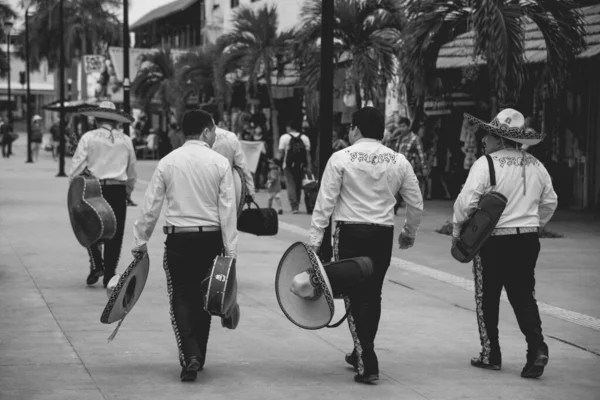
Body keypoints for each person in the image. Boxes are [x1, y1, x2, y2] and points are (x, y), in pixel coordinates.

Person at [309, 106, 424, 384]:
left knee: (353, 294)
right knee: (373, 294)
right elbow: (416, 203)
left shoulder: (341, 158)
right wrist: (409, 231)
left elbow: (324, 203)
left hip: (351, 234)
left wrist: (314, 241)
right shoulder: (398, 160)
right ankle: (360, 350)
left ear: (356, 129)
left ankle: (367, 359)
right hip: (382, 235)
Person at [131, 110, 238, 382]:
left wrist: (140, 241)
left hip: (179, 239)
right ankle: (198, 355)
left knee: (181, 295)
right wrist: (230, 251)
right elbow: (227, 210)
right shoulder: (219, 163)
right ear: (205, 131)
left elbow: (151, 205)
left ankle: (189, 355)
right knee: (207, 296)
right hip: (211, 239)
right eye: (214, 130)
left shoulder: (168, 161)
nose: (215, 135)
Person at [453, 109, 558, 379]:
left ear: (499, 139)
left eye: (487, 136)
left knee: (487, 297)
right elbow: (550, 202)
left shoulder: (486, 163)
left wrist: (459, 233)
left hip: (494, 241)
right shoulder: (535, 164)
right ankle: (537, 348)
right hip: (527, 239)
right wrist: (535, 224)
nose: (483, 141)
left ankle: (491, 354)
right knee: (523, 295)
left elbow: (466, 204)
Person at [69, 101, 137, 288]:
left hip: (94, 188)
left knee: (89, 226)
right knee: (115, 231)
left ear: (97, 119)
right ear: (115, 121)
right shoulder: (125, 140)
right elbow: (132, 170)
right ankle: (109, 274)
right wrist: (128, 191)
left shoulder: (88, 137)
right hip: (118, 189)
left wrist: (73, 187)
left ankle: (97, 262)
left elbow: (77, 166)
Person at [206, 109, 256, 201]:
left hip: (206, 189)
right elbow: (242, 165)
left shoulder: (198, 140)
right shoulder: (230, 137)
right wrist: (250, 190)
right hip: (228, 188)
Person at [383, 117, 427, 213]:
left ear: (408, 126)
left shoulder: (415, 138)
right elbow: (389, 146)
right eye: (400, 126)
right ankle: (395, 207)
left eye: (403, 126)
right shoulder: (399, 138)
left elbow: (421, 153)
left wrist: (424, 167)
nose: (402, 128)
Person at [278, 121, 313, 214]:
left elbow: (280, 152)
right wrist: (309, 166)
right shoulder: (305, 138)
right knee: (298, 185)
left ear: (289, 127)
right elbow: (308, 154)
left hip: (288, 165)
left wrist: (277, 164)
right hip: (301, 165)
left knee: (290, 185)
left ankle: (294, 206)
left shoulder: (284, 137)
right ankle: (296, 203)